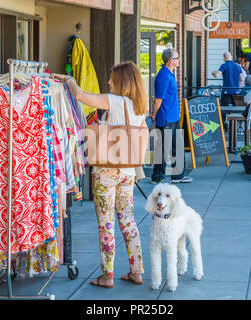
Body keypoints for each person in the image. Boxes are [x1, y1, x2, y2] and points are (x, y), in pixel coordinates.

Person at [50, 61, 147, 288]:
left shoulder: (114, 101)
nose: (109, 81)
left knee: (106, 225)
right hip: (128, 172)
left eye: (112, 78)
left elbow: (81, 96)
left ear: (122, 81)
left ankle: (107, 276)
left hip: (106, 172)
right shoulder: (137, 106)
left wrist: (69, 80)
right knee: (128, 221)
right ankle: (136, 271)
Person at [149, 48, 193, 184]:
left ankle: (178, 175)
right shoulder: (163, 76)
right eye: (177, 57)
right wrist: (153, 115)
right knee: (162, 148)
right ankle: (157, 177)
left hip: (173, 117)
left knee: (177, 147)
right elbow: (158, 100)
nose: (179, 60)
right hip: (165, 117)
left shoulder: (170, 74)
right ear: (171, 61)